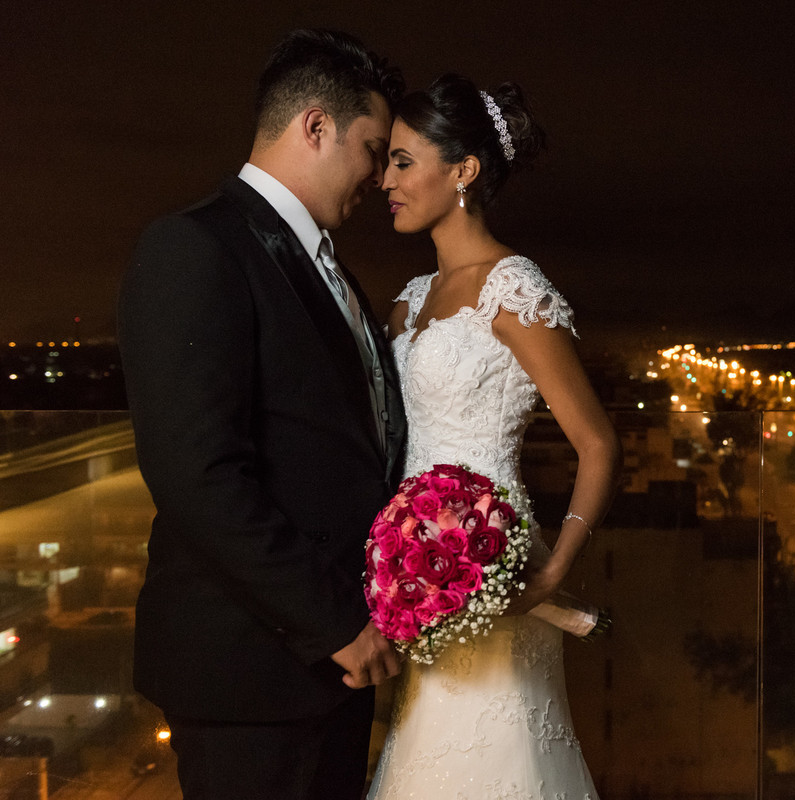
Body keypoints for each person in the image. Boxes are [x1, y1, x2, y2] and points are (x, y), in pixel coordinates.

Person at [118, 29, 407, 800]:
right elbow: (196, 474)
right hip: (251, 678)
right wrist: (336, 623)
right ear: (316, 126)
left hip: (332, 667)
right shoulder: (193, 246)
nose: (381, 178)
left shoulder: (333, 272)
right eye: (374, 150)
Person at [367, 74, 621, 796]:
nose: (385, 179)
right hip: (419, 579)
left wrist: (548, 574)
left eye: (404, 162)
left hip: (499, 569)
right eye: (386, 160)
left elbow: (599, 443)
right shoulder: (409, 300)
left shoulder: (514, 287)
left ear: (464, 171)